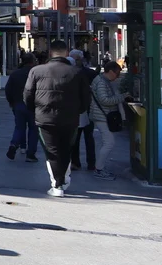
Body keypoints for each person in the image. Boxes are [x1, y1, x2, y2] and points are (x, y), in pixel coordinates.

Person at [23, 40, 91, 197]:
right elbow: (86, 98)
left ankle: (57, 184)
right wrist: (78, 111)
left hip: (44, 117)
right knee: (66, 149)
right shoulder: (77, 72)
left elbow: (27, 95)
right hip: (70, 118)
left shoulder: (36, 71)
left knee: (51, 150)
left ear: (49, 53)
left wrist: (35, 110)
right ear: (66, 53)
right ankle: (63, 180)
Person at [89, 62, 128, 180]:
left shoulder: (102, 80)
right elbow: (105, 100)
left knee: (107, 143)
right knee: (109, 143)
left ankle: (99, 167)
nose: (118, 76)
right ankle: (99, 169)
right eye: (117, 73)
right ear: (111, 71)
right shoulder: (101, 82)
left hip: (102, 115)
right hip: (102, 116)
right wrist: (122, 97)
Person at [5, 53, 39, 162]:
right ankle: (30, 154)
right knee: (33, 129)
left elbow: (8, 89)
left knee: (19, 127)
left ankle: (14, 144)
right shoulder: (36, 73)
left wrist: (11, 102)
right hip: (33, 105)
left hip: (18, 104)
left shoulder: (15, 74)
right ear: (32, 61)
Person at [69, 49, 98, 171]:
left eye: (77, 59)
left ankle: (87, 162)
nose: (75, 62)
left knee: (86, 137)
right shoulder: (86, 73)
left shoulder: (87, 73)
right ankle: (82, 162)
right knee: (79, 138)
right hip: (81, 109)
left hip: (85, 109)